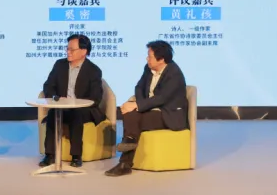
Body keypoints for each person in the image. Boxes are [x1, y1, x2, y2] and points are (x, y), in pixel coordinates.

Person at [105, 40, 188, 177]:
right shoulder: (148, 68)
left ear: (161, 59)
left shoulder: (174, 74)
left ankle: (126, 154)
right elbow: (139, 87)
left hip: (168, 114)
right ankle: (128, 147)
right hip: (150, 109)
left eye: (150, 56)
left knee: (132, 117)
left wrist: (137, 105)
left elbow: (162, 98)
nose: (147, 59)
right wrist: (138, 104)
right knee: (130, 114)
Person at [39, 34, 104, 168]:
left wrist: (76, 103)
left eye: (72, 49)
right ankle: (50, 155)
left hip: (84, 109)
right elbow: (48, 85)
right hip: (62, 106)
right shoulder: (60, 65)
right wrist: (55, 98)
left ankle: (76, 156)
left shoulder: (94, 70)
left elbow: (96, 97)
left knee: (76, 114)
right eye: (67, 49)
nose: (68, 52)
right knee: (52, 114)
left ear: (83, 51)